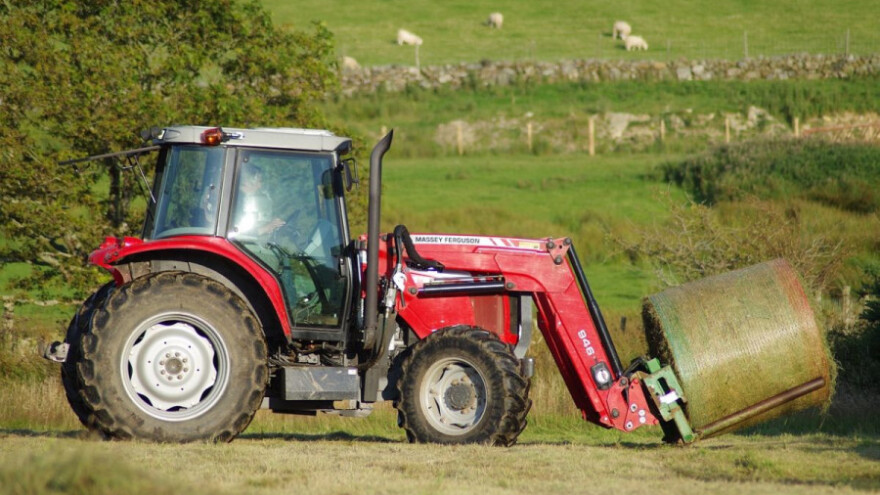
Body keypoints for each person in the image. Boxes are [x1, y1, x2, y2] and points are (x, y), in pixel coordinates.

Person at [230, 164, 284, 238]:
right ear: (247, 182)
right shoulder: (236, 202)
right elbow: (238, 233)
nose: (260, 186)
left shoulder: (240, 197)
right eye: (259, 181)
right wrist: (267, 228)